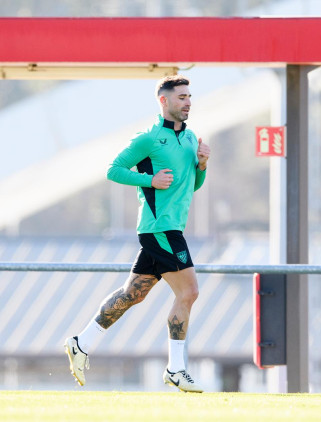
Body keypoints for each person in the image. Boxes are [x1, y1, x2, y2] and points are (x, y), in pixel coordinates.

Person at [64, 75, 210, 393]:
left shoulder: (190, 138)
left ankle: (81, 343)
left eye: (189, 96)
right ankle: (176, 369)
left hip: (170, 228)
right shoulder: (148, 138)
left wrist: (201, 165)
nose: (188, 102)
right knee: (189, 292)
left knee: (133, 294)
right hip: (160, 228)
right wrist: (150, 181)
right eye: (181, 97)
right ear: (164, 101)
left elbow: (193, 187)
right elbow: (113, 170)